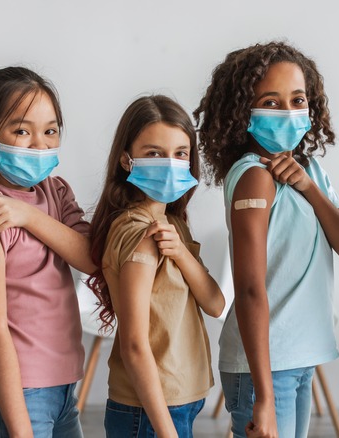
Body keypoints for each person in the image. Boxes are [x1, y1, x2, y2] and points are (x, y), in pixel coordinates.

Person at [193, 41, 339, 438]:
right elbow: (250, 289)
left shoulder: (312, 172)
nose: (288, 112)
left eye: (297, 100)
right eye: (271, 102)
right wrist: (265, 398)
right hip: (266, 369)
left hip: (298, 358)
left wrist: (308, 187)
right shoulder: (254, 175)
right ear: (242, 112)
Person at [0, 66, 92, 438]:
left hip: (62, 391)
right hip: (16, 399)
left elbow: (91, 258)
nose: (39, 144)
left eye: (49, 131)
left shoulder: (55, 191)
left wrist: (29, 215)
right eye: (21, 131)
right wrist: (20, 430)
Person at [86, 95, 225, 437]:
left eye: (180, 153)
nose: (171, 164)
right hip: (151, 410)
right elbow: (134, 344)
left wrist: (180, 253)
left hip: (179, 400)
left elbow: (216, 303)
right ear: (125, 159)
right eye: (153, 153)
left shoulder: (173, 225)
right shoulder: (140, 234)